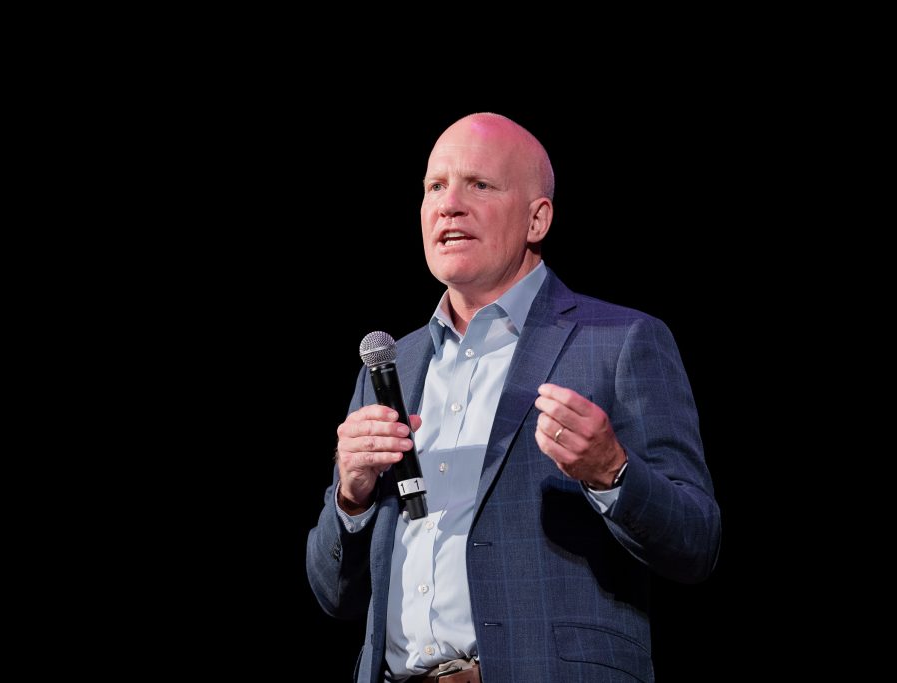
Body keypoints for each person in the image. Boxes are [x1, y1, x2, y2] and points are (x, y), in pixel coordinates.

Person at [307, 113, 720, 683]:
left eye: (479, 185)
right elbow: (335, 595)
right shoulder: (390, 367)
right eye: (435, 186)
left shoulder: (620, 342)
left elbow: (696, 543)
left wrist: (612, 472)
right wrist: (350, 500)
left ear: (537, 218)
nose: (449, 205)